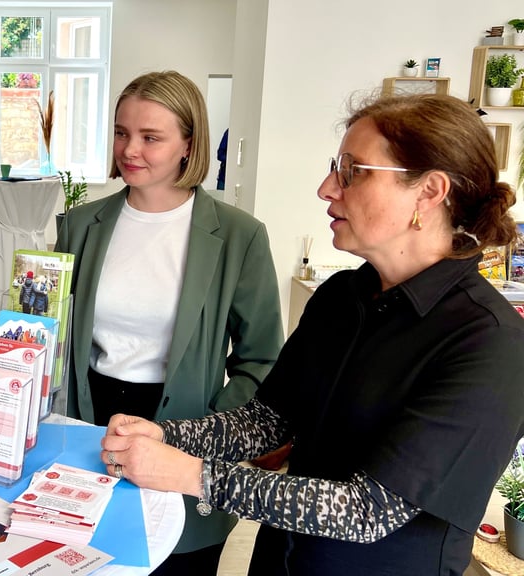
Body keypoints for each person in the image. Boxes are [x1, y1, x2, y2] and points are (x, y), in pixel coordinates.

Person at [99, 93, 524, 576]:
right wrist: (165, 434)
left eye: (353, 171)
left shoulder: (491, 346)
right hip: (280, 562)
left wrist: (191, 474)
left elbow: (367, 509)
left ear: (429, 192)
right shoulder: (342, 297)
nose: (326, 188)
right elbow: (268, 421)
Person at [54, 70, 284, 575]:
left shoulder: (239, 236)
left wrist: (211, 426)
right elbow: (53, 333)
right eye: (121, 132)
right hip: (89, 423)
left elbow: (262, 359)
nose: (129, 149)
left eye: (150, 137)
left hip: (183, 430)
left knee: (175, 563)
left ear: (189, 145)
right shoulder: (80, 225)